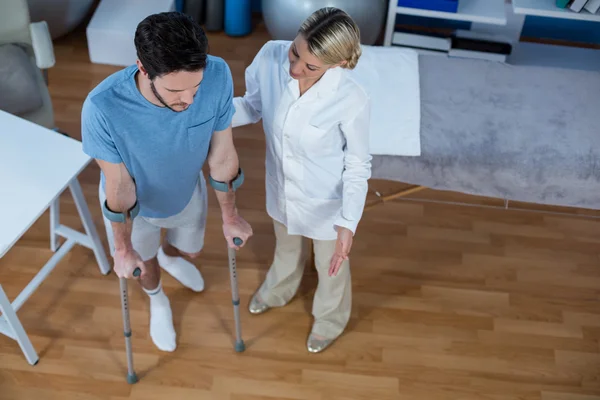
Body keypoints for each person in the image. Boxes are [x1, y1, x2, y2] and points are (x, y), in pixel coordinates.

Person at [81, 12, 253, 352]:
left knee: (191, 250)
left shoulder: (217, 74)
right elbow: (120, 187)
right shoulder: (102, 107)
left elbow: (221, 155)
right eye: (176, 90)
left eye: (196, 88)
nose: (189, 101)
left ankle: (170, 257)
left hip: (186, 190)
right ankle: (158, 299)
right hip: (136, 206)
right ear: (144, 69)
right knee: (144, 266)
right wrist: (122, 248)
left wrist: (230, 215)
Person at [232, 7, 371, 353]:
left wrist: (348, 224)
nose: (294, 68)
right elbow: (252, 106)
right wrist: (207, 115)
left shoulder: (350, 98)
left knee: (331, 263)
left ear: (336, 64)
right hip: (282, 185)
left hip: (327, 200)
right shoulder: (269, 57)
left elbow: (357, 164)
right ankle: (280, 287)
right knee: (286, 243)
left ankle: (330, 317)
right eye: (296, 51)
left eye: (310, 66)